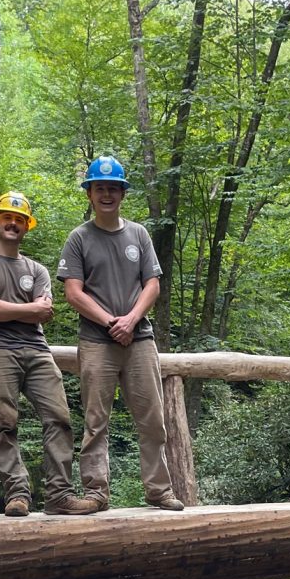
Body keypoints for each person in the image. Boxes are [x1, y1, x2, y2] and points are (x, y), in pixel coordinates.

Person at [57, 156, 183, 512]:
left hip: (140, 338)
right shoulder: (78, 238)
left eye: (113, 188)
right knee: (96, 421)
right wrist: (113, 323)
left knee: (153, 419)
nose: (107, 194)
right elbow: (74, 293)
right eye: (100, 188)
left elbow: (153, 284)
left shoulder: (139, 234)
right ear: (90, 194)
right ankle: (97, 492)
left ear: (123, 193)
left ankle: (159, 491)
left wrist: (130, 320)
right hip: (97, 341)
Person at [0, 192, 97, 517]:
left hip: (37, 350)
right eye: (7, 217)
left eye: (19, 219)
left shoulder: (37, 270)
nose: (12, 223)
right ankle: (18, 495)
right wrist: (24, 309)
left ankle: (59, 495)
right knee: (5, 423)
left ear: (26, 227)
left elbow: (41, 312)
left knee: (59, 419)